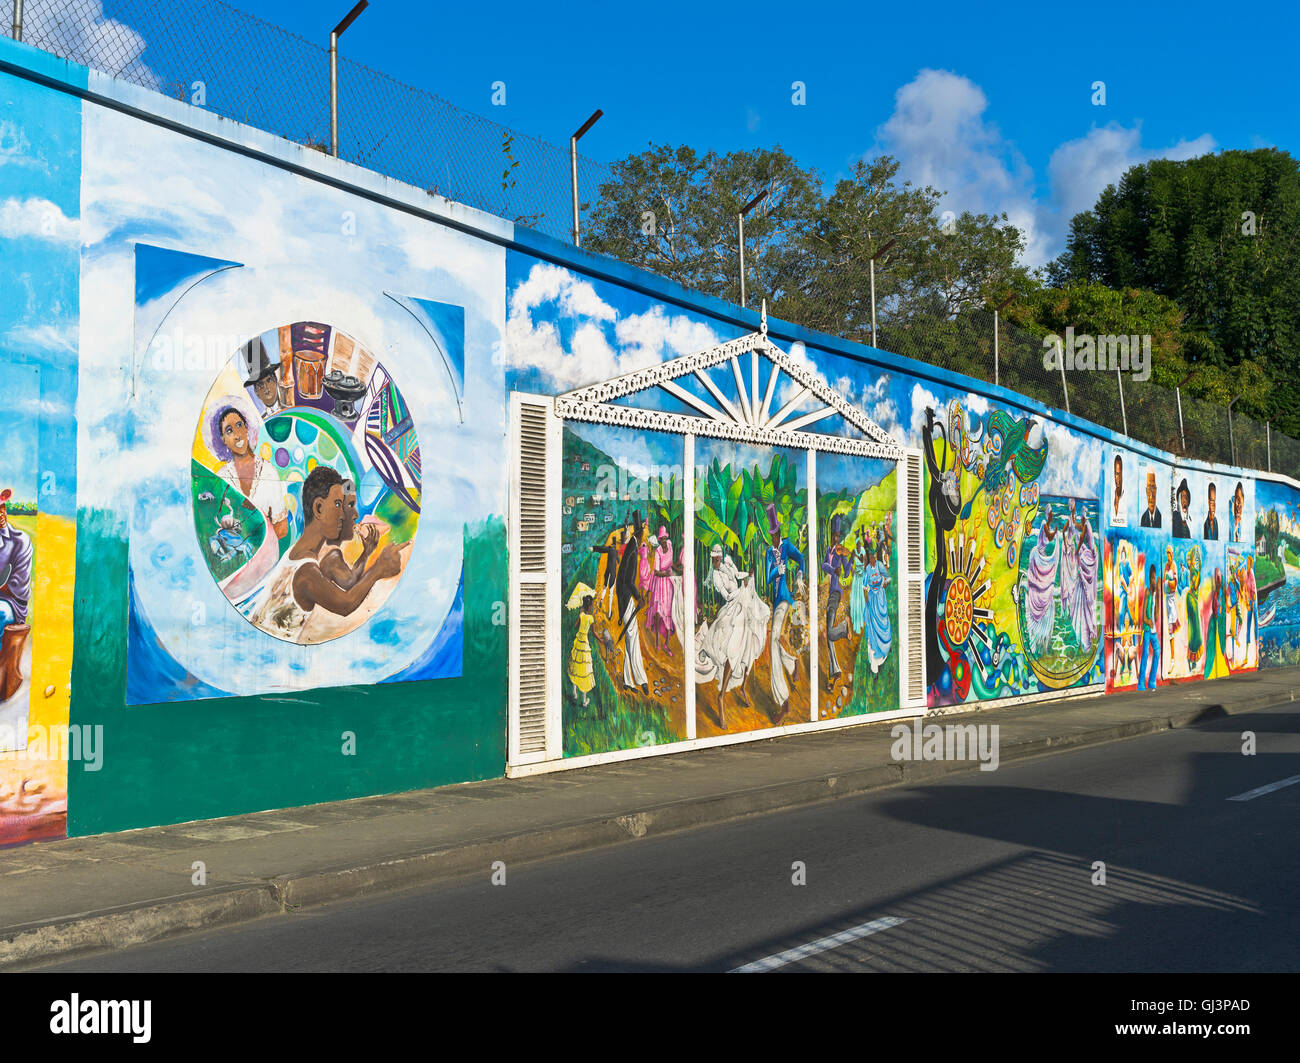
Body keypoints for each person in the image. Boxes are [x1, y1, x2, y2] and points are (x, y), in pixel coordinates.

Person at [249, 466, 400, 642]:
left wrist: (367, 553)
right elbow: (346, 604)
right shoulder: (306, 574)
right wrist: (379, 569)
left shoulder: (297, 554)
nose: (343, 514)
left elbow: (346, 583)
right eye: (337, 504)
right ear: (319, 508)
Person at [695, 544, 770, 727]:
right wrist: (741, 589)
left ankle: (743, 686)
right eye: (713, 560)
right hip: (732, 608)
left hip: (742, 605)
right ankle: (721, 695)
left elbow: (737, 575)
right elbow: (726, 596)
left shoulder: (728, 562)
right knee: (733, 648)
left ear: (721, 557)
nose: (715, 562)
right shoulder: (715, 575)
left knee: (748, 644)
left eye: (717, 559)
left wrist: (747, 576)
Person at [207, 398, 289, 540]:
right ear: (223, 439)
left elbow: (282, 528)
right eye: (229, 430)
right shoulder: (221, 478)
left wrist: (255, 540)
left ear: (246, 428)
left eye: (239, 425)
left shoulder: (268, 472)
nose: (237, 435)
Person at [764, 503, 804, 723]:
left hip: (785, 601)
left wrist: (799, 575)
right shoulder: (770, 553)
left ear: (779, 532)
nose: (774, 538)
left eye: (775, 533)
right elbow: (767, 578)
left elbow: (802, 558)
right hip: (775, 601)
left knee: (772, 643)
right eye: (771, 535)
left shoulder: (787, 546)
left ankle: (784, 703)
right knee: (775, 644)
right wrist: (775, 570)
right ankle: (792, 662)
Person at [613, 511, 649, 694]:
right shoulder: (633, 550)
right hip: (626, 596)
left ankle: (628, 680)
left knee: (629, 636)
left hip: (623, 596)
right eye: (643, 532)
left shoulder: (631, 547)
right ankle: (641, 679)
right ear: (639, 534)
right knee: (633, 636)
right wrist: (638, 597)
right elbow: (627, 579)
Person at [1024, 505, 1060, 654]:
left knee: (1042, 583)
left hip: (1040, 554)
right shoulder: (1045, 525)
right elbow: (1050, 536)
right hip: (1037, 555)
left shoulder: (1047, 525)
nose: (1051, 516)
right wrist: (1056, 533)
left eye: (1051, 514)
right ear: (1048, 515)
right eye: (1050, 513)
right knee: (1039, 584)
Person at [821, 514, 852, 688]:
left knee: (831, 632)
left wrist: (850, 560)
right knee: (829, 637)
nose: (836, 538)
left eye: (838, 536)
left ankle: (844, 627)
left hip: (836, 593)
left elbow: (846, 573)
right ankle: (835, 673)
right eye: (834, 535)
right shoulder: (829, 551)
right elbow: (824, 566)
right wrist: (834, 570)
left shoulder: (840, 552)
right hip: (831, 593)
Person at [0, 488, 33, 626]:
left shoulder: (20, 541)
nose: (1, 515)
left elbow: (17, 587)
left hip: (10, 602)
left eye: (2, 509)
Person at [646, 526, 676, 654]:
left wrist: (677, 570)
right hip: (660, 584)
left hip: (668, 584)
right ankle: (658, 640)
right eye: (662, 539)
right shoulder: (658, 551)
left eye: (665, 538)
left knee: (668, 611)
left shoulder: (670, 546)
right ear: (659, 540)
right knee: (658, 611)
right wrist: (667, 573)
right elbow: (657, 572)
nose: (664, 541)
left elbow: (672, 563)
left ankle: (667, 643)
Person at [865, 544, 893, 674]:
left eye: (874, 557)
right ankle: (875, 655)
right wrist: (867, 602)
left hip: (880, 598)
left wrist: (882, 587)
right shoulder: (867, 569)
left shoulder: (880, 566)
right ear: (868, 557)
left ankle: (885, 649)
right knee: (873, 625)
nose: (873, 559)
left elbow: (888, 578)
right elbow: (865, 587)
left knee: (882, 622)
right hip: (872, 599)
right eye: (871, 557)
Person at [567, 592, 597, 707]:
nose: (592, 607)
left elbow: (575, 626)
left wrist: (580, 614)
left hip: (578, 641)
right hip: (584, 643)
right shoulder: (590, 618)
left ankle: (574, 692)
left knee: (575, 665)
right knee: (585, 669)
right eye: (592, 606)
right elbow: (594, 633)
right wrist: (601, 640)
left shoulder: (582, 615)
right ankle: (584, 701)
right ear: (589, 607)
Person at [241, 336, 282, 418]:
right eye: (260, 385)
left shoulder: (290, 405)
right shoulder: (260, 420)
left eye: (269, 380)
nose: (266, 387)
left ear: (275, 380)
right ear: (256, 392)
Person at [1137, 563, 1160, 691]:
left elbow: (1156, 615)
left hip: (1153, 630)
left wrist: (1157, 603)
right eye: (1151, 577)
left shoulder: (1155, 593)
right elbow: (1143, 614)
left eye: (1154, 577)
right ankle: (1141, 684)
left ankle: (1152, 681)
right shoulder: (1147, 592)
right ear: (1149, 578)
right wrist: (1147, 621)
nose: (1153, 580)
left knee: (1157, 651)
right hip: (1147, 629)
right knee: (1145, 654)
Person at [1184, 546, 1203, 670]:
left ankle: (1191, 658)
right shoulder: (1193, 571)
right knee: (1195, 630)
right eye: (1191, 559)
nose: (1192, 560)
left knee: (1193, 629)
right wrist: (1200, 569)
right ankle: (1192, 658)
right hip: (1192, 600)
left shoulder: (1191, 570)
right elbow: (1195, 586)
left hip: (1191, 599)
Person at [1163, 545, 1181, 657]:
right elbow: (1165, 584)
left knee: (1172, 627)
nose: (1168, 556)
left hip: (1172, 599)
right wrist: (1167, 583)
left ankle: (1173, 657)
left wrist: (1168, 583)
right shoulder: (1166, 566)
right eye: (1167, 554)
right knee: (1171, 628)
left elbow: (1174, 585)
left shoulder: (1174, 565)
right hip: (1167, 598)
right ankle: (1173, 656)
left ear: (1172, 554)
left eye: (1169, 554)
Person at [1111, 454, 1126, 526]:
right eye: (1116, 474)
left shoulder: (1125, 494)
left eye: (1119, 474)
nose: (1117, 478)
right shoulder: (1112, 492)